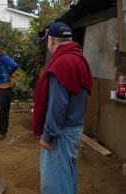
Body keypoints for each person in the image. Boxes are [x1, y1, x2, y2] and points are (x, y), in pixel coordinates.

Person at [32, 22, 92, 194]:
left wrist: (48, 136)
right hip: (74, 129)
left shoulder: (61, 64)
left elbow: (57, 105)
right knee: (67, 178)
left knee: (55, 184)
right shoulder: (79, 59)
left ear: (51, 40)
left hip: (60, 133)